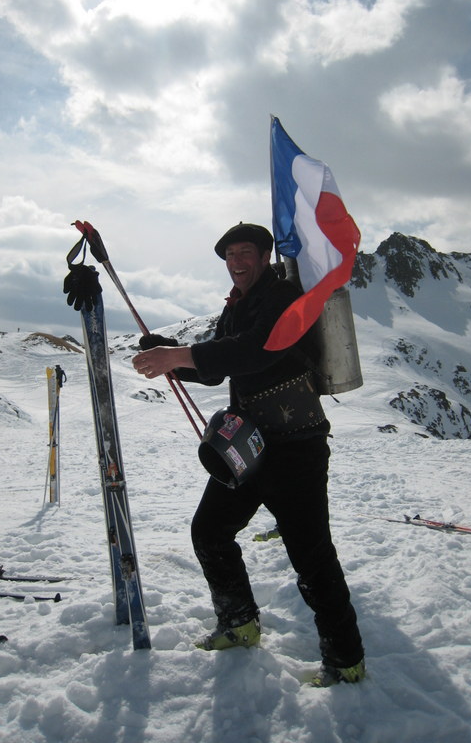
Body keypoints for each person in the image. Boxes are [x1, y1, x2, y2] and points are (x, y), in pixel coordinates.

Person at [132, 222, 365, 687]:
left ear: (264, 256)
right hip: (249, 448)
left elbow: (257, 352)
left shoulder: (281, 296)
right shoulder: (236, 306)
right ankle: (238, 623)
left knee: (311, 556)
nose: (236, 261)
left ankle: (346, 661)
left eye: (245, 252)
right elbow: (222, 367)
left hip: (296, 448)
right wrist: (165, 356)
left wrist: (178, 356)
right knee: (210, 531)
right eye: (229, 255)